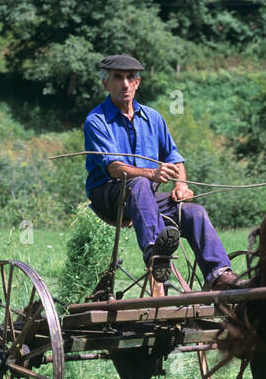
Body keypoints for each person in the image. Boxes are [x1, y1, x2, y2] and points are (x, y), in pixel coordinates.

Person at [83, 54, 240, 297]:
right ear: (106, 84)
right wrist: (152, 173)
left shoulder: (153, 118)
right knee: (139, 183)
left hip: (144, 197)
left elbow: (174, 157)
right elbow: (114, 167)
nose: (125, 84)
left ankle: (218, 275)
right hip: (109, 196)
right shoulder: (96, 120)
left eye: (130, 78)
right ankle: (157, 257)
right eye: (118, 78)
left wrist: (181, 185)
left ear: (138, 82)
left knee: (193, 213)